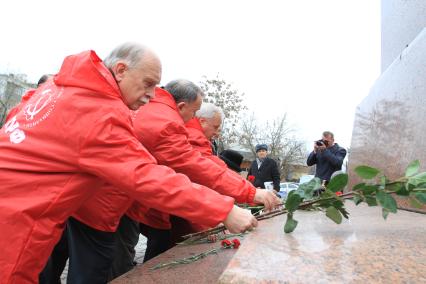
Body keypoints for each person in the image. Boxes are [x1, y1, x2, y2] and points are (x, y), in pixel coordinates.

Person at [0, 43, 258, 283]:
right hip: (17, 227)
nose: (151, 95)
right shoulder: (99, 114)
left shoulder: (56, 88)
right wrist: (224, 211)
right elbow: (147, 176)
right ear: (121, 70)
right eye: (148, 84)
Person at [124, 81, 280, 264]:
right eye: (194, 112)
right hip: (132, 206)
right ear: (183, 107)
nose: (194, 117)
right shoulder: (171, 126)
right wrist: (218, 215)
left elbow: (208, 168)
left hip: (139, 204)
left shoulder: (161, 116)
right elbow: (196, 171)